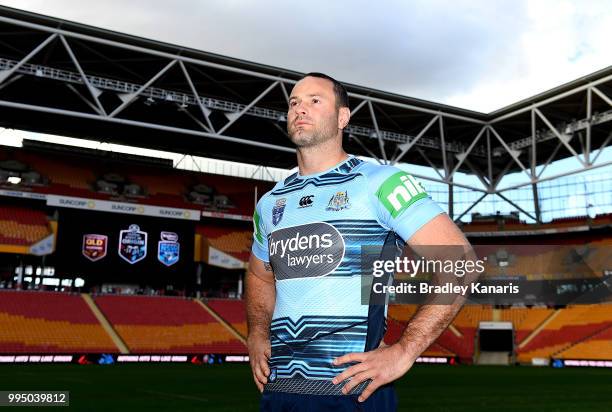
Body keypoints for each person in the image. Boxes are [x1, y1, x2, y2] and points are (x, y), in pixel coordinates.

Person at [247, 72, 472, 411]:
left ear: (343, 117)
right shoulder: (270, 203)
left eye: (314, 100)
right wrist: (256, 334)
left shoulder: (379, 182)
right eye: (294, 102)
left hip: (353, 392)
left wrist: (404, 350)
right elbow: (260, 275)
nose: (300, 109)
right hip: (279, 391)